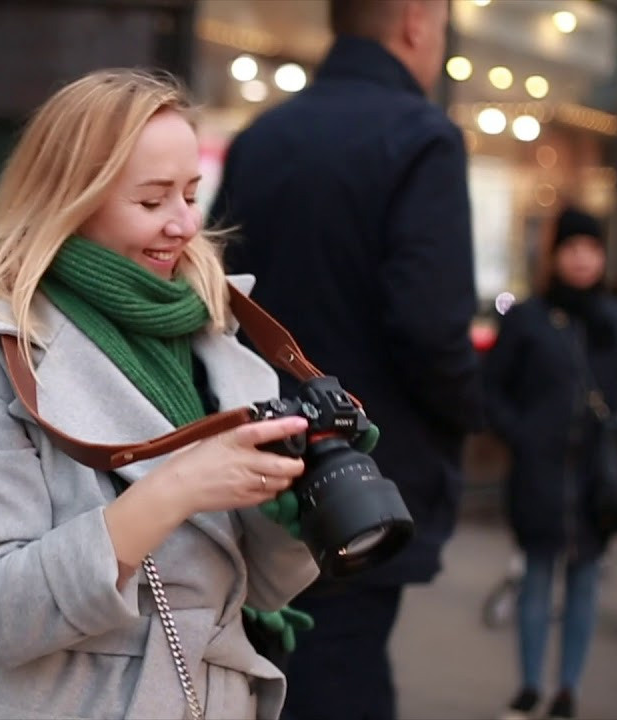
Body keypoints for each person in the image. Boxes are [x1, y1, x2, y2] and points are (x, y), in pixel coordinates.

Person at [0, 69, 322, 720]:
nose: (184, 224)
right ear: (71, 199)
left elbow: (254, 584)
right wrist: (178, 487)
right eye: (153, 201)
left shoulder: (218, 338)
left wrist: (298, 508)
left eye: (190, 193)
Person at [208, 1, 482, 718]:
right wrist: (470, 414)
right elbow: (430, 327)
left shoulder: (262, 138)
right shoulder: (424, 139)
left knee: (283, 664)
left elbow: (221, 301)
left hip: (262, 460)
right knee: (345, 673)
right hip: (367, 477)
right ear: (417, 21)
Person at [483, 208, 617, 720]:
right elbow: (492, 388)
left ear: (604, 256)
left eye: (592, 249)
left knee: (584, 582)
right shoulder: (529, 317)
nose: (583, 258)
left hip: (597, 479)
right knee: (535, 578)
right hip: (541, 475)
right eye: (573, 248)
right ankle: (530, 684)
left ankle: (567, 690)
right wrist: (522, 435)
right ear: (555, 256)